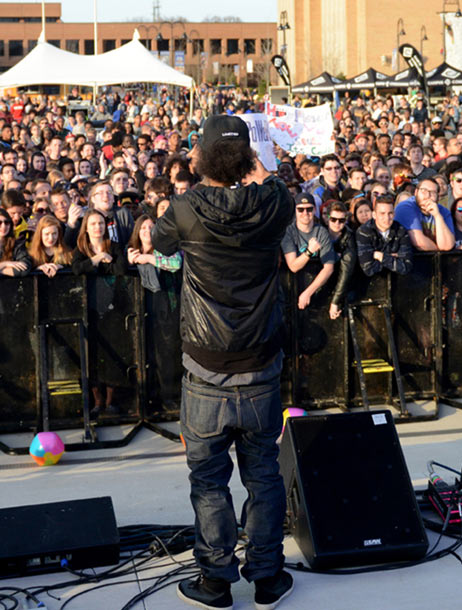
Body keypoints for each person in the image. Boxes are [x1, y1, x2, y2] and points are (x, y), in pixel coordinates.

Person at [151, 115, 295, 610]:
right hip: (260, 367)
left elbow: (161, 245)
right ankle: (268, 578)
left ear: (204, 158)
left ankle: (215, 582)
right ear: (245, 160)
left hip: (206, 369)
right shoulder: (275, 202)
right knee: (263, 475)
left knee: (208, 480)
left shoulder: (186, 208)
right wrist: (250, 165)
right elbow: (271, 181)